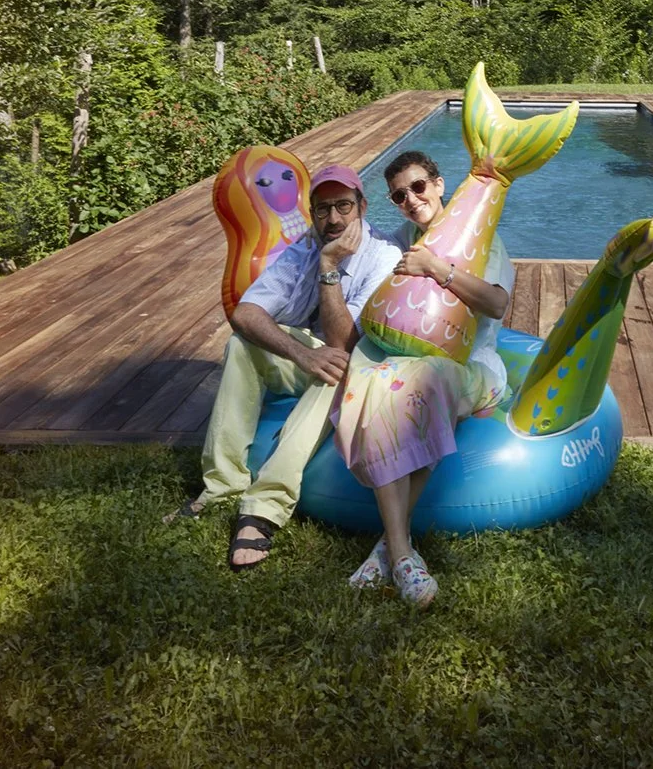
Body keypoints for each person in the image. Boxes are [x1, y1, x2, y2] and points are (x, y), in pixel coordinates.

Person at [165, 163, 401, 570]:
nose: (334, 219)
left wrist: (329, 269)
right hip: (310, 356)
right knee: (242, 344)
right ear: (312, 213)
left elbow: (343, 343)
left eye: (343, 206)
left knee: (339, 366)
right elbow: (245, 314)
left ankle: (264, 508)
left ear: (362, 206)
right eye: (323, 209)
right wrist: (301, 354)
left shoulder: (383, 255)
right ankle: (222, 486)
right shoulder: (304, 247)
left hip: (355, 364)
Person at [335, 149, 514, 608]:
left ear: (438, 184)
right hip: (410, 359)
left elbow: (497, 305)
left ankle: (391, 550)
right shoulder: (400, 241)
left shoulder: (478, 235)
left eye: (418, 187)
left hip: (472, 364)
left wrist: (437, 269)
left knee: (424, 382)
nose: (411, 200)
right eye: (399, 195)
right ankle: (399, 553)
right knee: (379, 387)